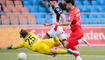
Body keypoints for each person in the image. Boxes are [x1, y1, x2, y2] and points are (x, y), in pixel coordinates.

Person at [8, 29, 79, 57]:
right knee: (57, 44)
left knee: (53, 51)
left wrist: (11, 47)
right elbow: (27, 32)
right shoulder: (32, 34)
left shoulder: (23, 43)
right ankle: (55, 38)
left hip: (39, 47)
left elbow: (16, 47)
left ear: (22, 37)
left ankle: (68, 52)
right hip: (43, 41)